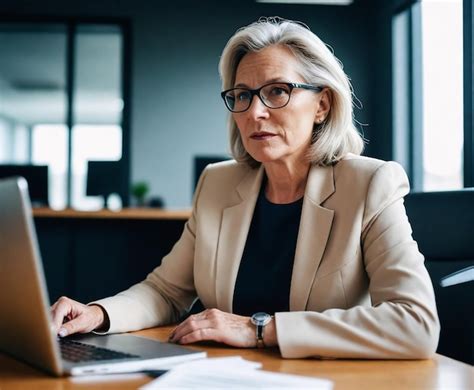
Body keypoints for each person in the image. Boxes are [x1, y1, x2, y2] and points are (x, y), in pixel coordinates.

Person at [51, 17, 440, 359]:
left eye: (277, 91)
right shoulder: (217, 183)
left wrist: (259, 330)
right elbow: (166, 292)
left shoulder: (370, 184)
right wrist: (98, 314)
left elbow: (416, 323)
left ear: (321, 105)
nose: (254, 112)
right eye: (242, 95)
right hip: (222, 377)